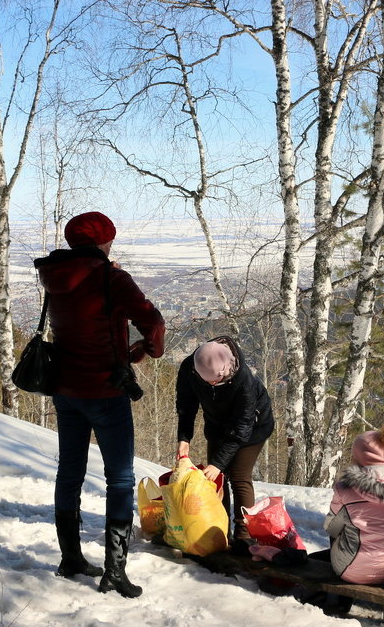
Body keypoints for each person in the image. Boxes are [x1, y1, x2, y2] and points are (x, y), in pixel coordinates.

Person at [34, 211, 166, 599]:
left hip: (65, 390)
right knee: (120, 478)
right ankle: (115, 571)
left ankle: (71, 558)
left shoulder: (54, 275)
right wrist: (149, 350)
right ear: (104, 240)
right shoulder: (112, 278)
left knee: (69, 473)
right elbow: (153, 323)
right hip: (106, 392)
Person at [175, 335, 274, 553]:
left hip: (252, 428)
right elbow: (186, 404)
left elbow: (241, 430)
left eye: (215, 382)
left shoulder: (243, 381)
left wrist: (218, 463)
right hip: (217, 425)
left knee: (238, 476)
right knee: (216, 479)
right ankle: (219, 530)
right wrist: (184, 438)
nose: (211, 385)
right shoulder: (189, 368)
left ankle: (244, 536)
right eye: (207, 382)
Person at [323, 423, 384, 585]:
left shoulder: (345, 488)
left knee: (340, 530)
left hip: (351, 568)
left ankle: (335, 600)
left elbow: (331, 528)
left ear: (359, 456)